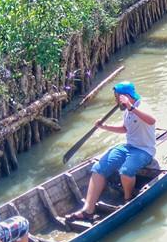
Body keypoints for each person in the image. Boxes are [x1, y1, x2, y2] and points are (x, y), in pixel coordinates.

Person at [67, 82, 157, 222]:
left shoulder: (142, 106)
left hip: (144, 150)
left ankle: (128, 198)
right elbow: (125, 129)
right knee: (98, 168)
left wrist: (131, 107)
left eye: (117, 97)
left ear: (126, 96)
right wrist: (104, 126)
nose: (116, 100)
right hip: (129, 146)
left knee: (126, 171)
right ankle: (88, 210)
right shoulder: (126, 110)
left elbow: (151, 121)